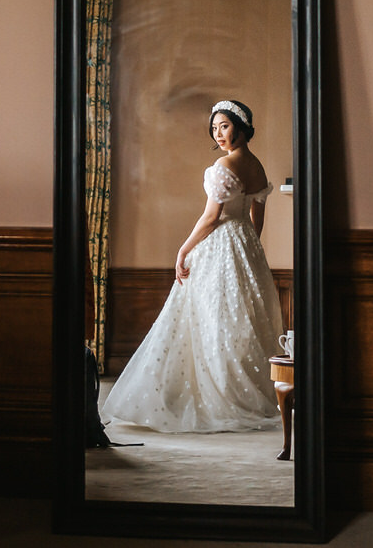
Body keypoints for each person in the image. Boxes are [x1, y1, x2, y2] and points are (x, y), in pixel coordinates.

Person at [100, 100, 285, 433]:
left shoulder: (224, 165)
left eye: (225, 126)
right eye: (214, 128)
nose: (219, 133)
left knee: (212, 318)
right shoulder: (256, 165)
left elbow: (212, 217)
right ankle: (243, 391)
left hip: (219, 245)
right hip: (244, 245)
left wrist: (183, 249)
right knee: (238, 321)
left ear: (241, 127)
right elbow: (256, 216)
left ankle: (221, 394)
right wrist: (249, 246)